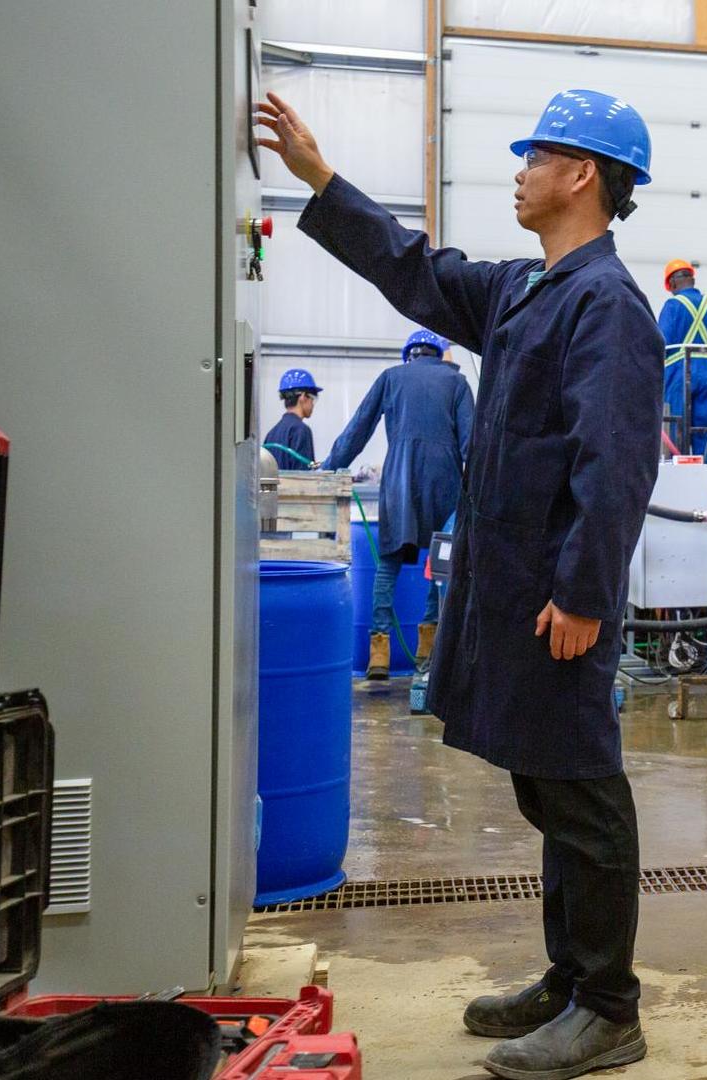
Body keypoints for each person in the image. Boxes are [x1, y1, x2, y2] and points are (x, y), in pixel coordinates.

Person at [256, 87, 660, 1080]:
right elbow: (416, 271)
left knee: (583, 791)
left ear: (582, 175)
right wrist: (319, 179)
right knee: (548, 789)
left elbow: (612, 466)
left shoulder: (607, 306)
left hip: (559, 597)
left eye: (536, 157)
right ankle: (570, 979)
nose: (517, 171)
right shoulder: (528, 290)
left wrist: (583, 595)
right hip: (514, 589)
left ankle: (609, 1006)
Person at [320, 329, 474, 680]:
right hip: (445, 484)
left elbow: (360, 427)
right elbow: (472, 444)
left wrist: (331, 465)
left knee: (387, 565)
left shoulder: (390, 378)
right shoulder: (457, 384)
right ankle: (429, 652)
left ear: (410, 354)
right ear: (439, 354)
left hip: (399, 483)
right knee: (441, 565)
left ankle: (379, 654)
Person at [657, 259, 707, 454]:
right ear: (692, 279)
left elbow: (660, 344)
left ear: (671, 283)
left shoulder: (672, 306)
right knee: (703, 431)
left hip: (677, 375)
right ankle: (702, 477)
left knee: (674, 429)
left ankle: (676, 475)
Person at [265, 368, 322, 468]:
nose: (313, 404)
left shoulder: (271, 434)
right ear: (303, 397)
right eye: (312, 398)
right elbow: (304, 477)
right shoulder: (300, 430)